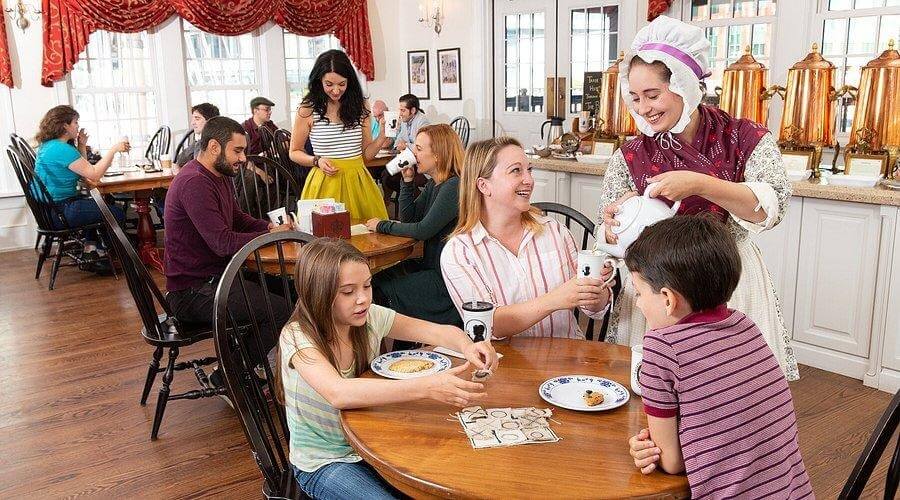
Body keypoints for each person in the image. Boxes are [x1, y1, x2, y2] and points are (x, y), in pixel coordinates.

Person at [597, 15, 798, 380]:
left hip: (725, 280)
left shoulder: (743, 137)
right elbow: (607, 231)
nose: (643, 109)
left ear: (685, 84)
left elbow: (772, 208)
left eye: (653, 95)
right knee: (654, 391)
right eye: (636, 98)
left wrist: (700, 184)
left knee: (725, 390)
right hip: (655, 287)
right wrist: (616, 223)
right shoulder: (630, 154)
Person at [276, 238, 498, 499]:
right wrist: (427, 387)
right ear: (318, 294)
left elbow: (437, 331)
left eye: (367, 286)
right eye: (348, 292)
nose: (362, 299)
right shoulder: (296, 337)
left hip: (372, 445)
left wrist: (468, 345)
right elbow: (339, 393)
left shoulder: (371, 318)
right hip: (323, 462)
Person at [625, 215, 812, 498]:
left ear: (667, 298)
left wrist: (652, 449)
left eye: (639, 293)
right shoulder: (745, 325)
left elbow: (672, 463)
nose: (637, 303)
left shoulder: (661, 347)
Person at [164, 116, 293, 393]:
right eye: (237, 150)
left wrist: (270, 227)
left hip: (217, 278)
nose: (243, 158)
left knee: (292, 289)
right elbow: (222, 243)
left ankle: (262, 364)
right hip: (192, 291)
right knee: (279, 310)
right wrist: (269, 236)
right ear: (213, 147)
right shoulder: (194, 183)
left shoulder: (218, 175)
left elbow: (238, 219)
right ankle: (230, 372)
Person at [440, 137, 612, 339]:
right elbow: (489, 325)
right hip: (506, 365)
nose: (529, 180)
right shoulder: (459, 253)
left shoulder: (555, 231)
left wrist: (597, 293)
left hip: (568, 359)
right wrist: (556, 299)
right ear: (484, 185)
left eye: (529, 170)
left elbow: (595, 309)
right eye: (516, 170)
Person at [364, 124, 464, 333]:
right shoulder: (434, 184)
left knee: (381, 291)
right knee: (376, 282)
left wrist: (382, 225)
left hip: (446, 279)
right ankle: (401, 343)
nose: (412, 153)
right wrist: (407, 181)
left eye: (418, 148)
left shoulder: (454, 186)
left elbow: (422, 231)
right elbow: (409, 217)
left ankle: (400, 342)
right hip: (431, 267)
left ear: (437, 155)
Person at [288, 50, 388, 221]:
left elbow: (365, 157)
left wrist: (381, 138)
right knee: (325, 242)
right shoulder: (307, 109)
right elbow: (294, 151)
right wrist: (316, 160)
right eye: (329, 84)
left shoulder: (361, 105)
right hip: (324, 183)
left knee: (367, 239)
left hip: (359, 183)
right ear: (319, 81)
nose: (336, 90)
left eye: (342, 84)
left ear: (350, 81)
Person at [32, 105, 129, 274]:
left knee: (100, 205)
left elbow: (83, 171)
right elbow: (93, 176)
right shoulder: (61, 149)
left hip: (50, 210)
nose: (78, 126)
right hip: (61, 211)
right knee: (116, 213)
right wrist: (113, 150)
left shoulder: (50, 146)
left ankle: (91, 251)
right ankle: (100, 255)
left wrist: (81, 146)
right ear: (65, 126)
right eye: (75, 122)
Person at [380, 94, 429, 204]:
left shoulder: (422, 122)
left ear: (412, 110)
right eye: (399, 110)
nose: (400, 114)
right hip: (409, 158)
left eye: (403, 110)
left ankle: (419, 200)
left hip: (420, 163)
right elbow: (398, 141)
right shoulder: (405, 121)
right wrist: (399, 144)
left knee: (390, 177)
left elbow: (422, 147)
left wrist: (406, 145)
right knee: (386, 174)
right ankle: (416, 199)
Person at [176, 103, 219, 167]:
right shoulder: (200, 140)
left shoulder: (215, 142)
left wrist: (200, 141)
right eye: (193, 119)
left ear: (210, 121)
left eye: (197, 119)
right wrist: (197, 141)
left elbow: (197, 165)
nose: (192, 123)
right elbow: (180, 161)